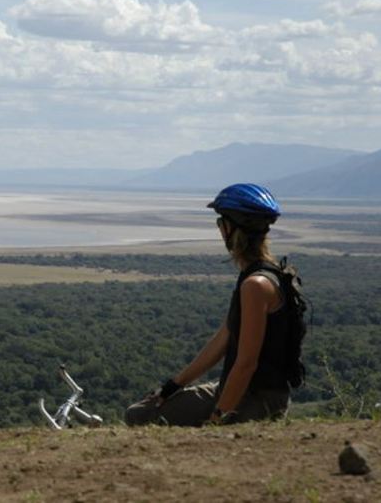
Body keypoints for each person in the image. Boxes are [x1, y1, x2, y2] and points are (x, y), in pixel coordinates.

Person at [124, 183, 296, 427]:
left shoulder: (255, 286)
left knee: (142, 419)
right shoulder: (264, 275)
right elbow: (224, 339)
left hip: (257, 399)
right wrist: (173, 385)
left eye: (220, 223)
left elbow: (247, 363)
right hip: (245, 390)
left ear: (230, 228)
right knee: (140, 412)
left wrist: (218, 418)